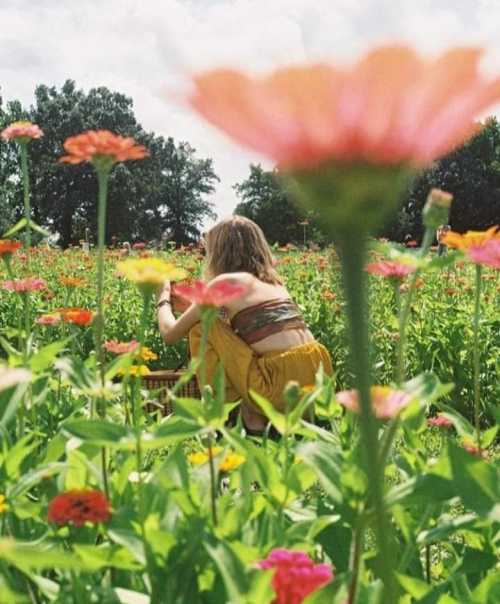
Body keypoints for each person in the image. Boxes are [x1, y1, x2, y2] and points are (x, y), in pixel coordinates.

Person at [156, 216, 333, 434]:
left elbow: (170, 334)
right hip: (318, 381)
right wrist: (192, 309)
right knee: (212, 325)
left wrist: (162, 295)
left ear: (219, 252)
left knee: (202, 329)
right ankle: (254, 413)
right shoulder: (273, 283)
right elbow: (240, 328)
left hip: (280, 386)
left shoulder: (225, 282)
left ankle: (229, 417)